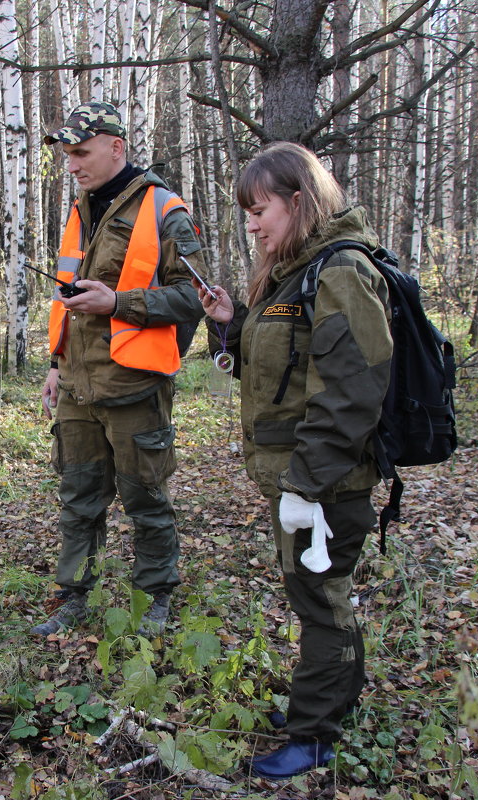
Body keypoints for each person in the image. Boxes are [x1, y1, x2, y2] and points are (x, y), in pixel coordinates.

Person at [197, 142, 392, 779]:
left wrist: (307, 484)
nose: (251, 224)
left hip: (326, 481)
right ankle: (330, 704)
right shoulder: (297, 272)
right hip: (302, 477)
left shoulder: (339, 271)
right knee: (319, 595)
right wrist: (235, 323)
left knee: (321, 601)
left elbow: (351, 388)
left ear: (300, 200)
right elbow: (289, 366)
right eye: (247, 212)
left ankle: (314, 737)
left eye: (261, 209)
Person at [33, 100, 207, 637]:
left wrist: (119, 304)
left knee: (145, 499)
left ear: (116, 147)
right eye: (66, 154)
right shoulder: (81, 209)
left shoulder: (163, 209)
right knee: (78, 500)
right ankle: (74, 597)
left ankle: (155, 597)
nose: (71, 163)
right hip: (78, 388)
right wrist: (57, 364)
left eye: (81, 152)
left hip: (135, 387)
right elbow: (70, 297)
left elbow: (195, 298)